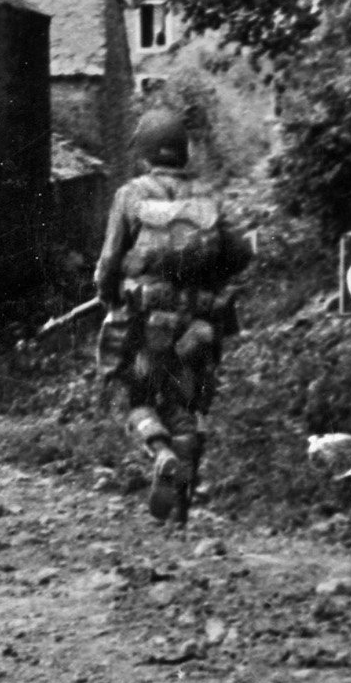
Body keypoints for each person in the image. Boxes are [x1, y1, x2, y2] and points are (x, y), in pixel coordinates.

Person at [94, 108, 253, 525]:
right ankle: (180, 506)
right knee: (186, 408)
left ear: (145, 152)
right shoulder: (210, 196)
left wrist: (110, 297)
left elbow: (109, 263)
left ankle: (160, 453)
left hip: (147, 324)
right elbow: (239, 254)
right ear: (183, 151)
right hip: (198, 325)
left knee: (138, 398)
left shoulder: (130, 195)